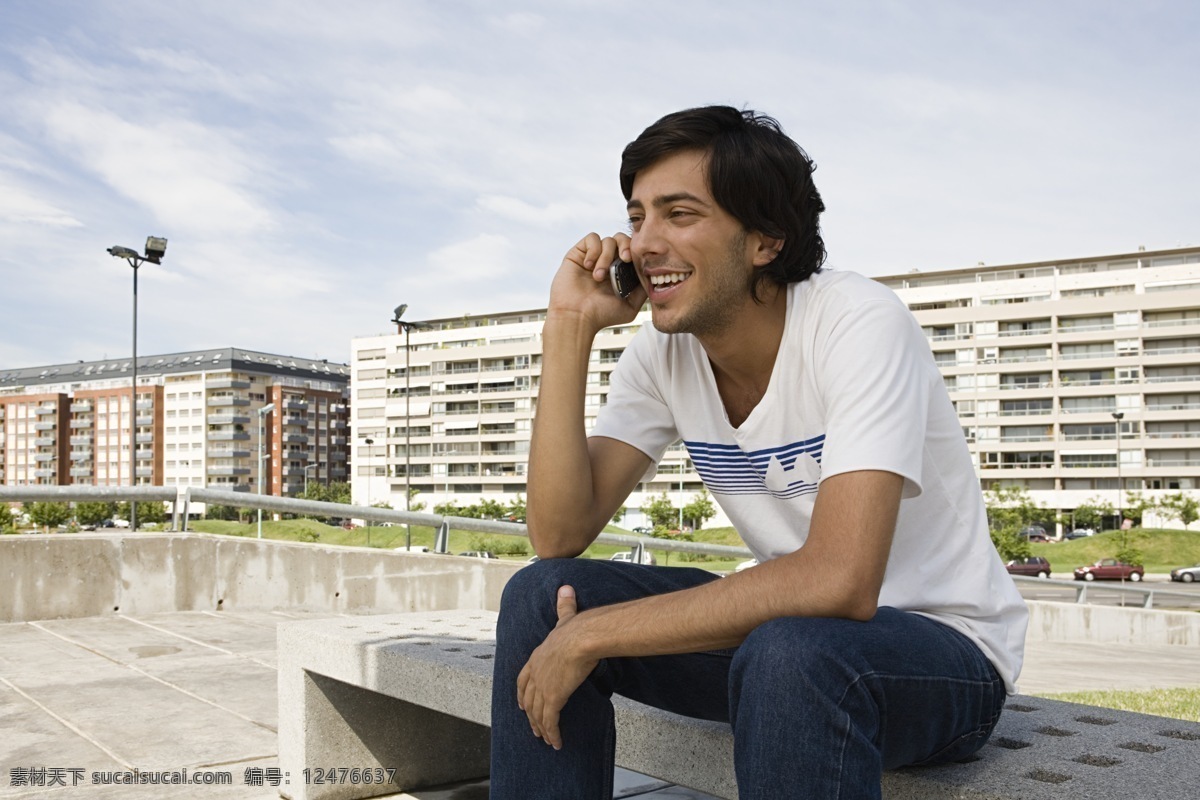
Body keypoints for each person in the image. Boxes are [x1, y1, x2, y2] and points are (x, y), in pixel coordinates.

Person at [490, 106, 1028, 800]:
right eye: (637, 215)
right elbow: (558, 534)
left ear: (766, 239)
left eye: (679, 214)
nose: (644, 243)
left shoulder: (856, 321)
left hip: (936, 654)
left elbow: (840, 580)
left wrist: (592, 637)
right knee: (543, 595)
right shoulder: (662, 353)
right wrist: (567, 329)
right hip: (788, 645)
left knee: (793, 651)